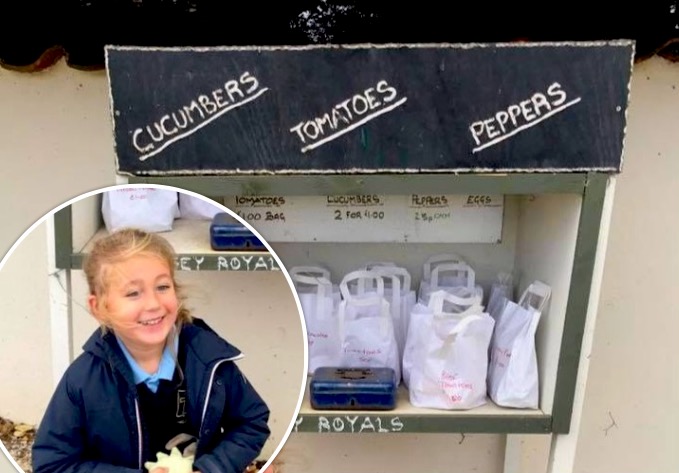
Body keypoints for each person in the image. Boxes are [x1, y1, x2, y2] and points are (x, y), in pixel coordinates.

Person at [32, 228, 270, 473]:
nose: (154, 304)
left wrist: (212, 467)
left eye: (163, 287)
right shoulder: (83, 380)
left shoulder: (209, 359)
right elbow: (53, 464)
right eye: (133, 293)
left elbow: (252, 422)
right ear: (99, 308)